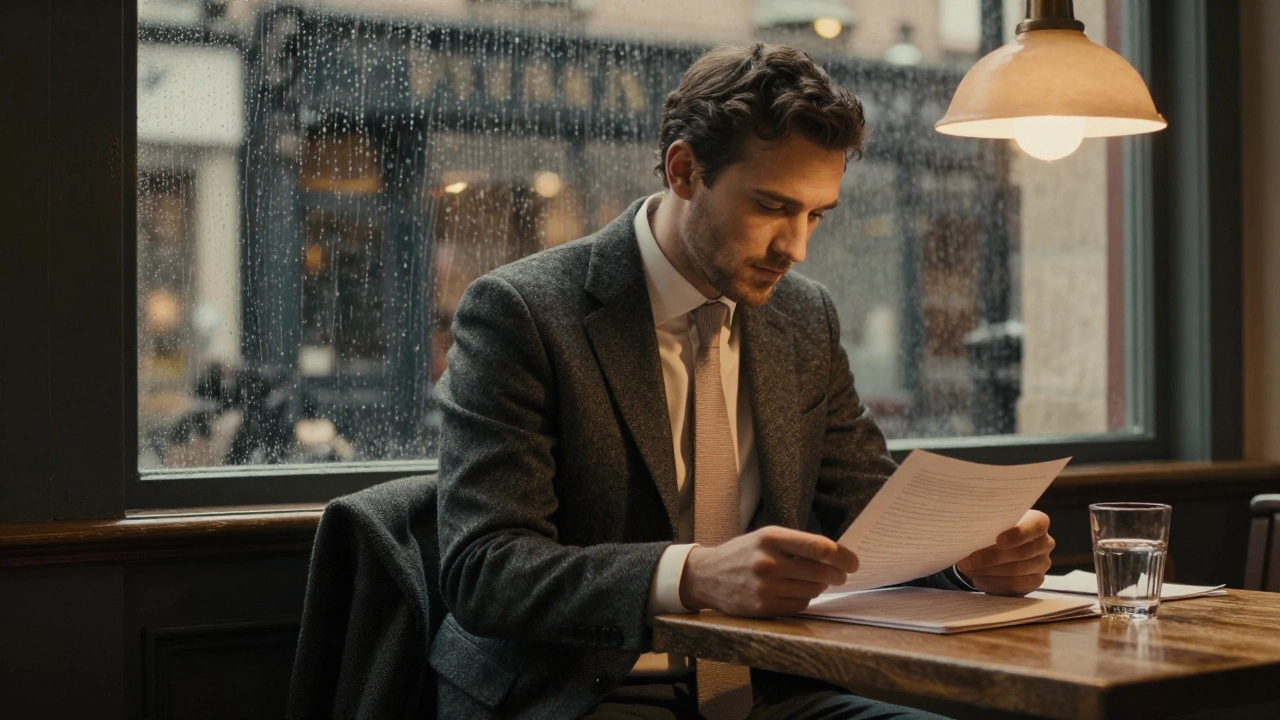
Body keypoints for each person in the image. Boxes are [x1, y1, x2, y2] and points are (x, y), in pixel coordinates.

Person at [433, 43, 1055, 720]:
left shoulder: (804, 316)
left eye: (816, 214)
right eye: (771, 207)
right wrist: (694, 574)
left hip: (769, 692)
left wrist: (970, 557)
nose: (796, 247)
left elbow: (872, 515)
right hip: (585, 694)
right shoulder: (523, 312)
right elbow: (484, 570)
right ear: (683, 170)